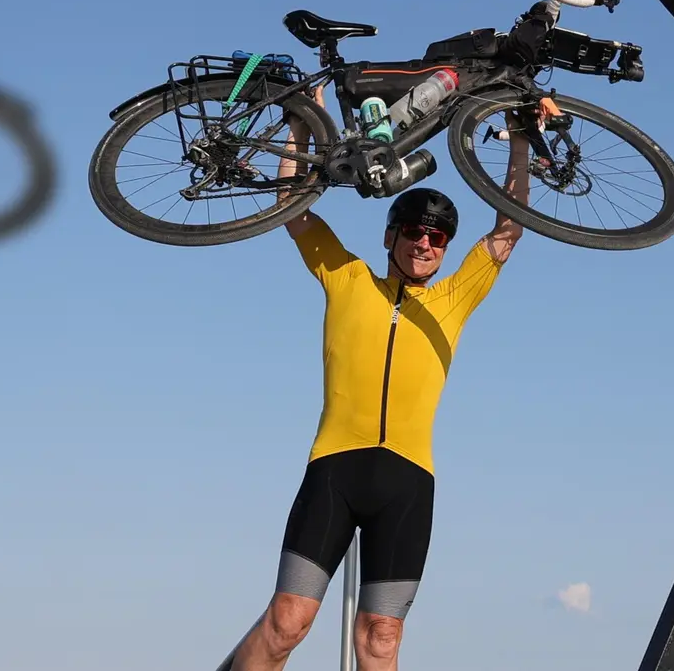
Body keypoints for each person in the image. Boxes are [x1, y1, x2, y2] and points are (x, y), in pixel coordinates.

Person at [219, 89, 532, 671]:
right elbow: (292, 205)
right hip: (335, 468)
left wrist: (520, 134)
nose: (425, 243)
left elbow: (509, 227)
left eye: (438, 237)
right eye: (414, 230)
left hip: (408, 482)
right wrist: (302, 123)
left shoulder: (454, 297)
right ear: (390, 236)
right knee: (288, 623)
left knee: (381, 637)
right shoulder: (347, 276)